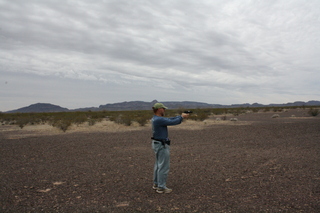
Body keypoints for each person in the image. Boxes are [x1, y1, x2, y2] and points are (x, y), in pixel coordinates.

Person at [151, 102, 189, 194]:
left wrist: (180, 116)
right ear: (159, 109)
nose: (164, 110)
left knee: (158, 165)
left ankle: (156, 183)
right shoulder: (158, 120)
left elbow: (169, 119)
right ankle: (161, 187)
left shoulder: (156, 119)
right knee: (163, 166)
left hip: (158, 143)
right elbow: (172, 122)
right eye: (163, 109)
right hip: (161, 145)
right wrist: (182, 117)